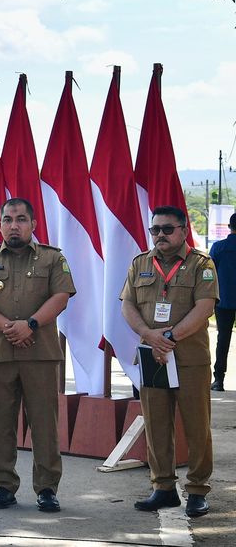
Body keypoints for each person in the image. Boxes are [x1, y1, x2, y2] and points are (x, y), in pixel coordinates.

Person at [0, 198, 75, 513]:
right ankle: (3, 486)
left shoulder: (52, 259)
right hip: (0, 352)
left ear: (33, 224)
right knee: (0, 422)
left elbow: (61, 296)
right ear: (0, 224)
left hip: (40, 353)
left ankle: (47, 488)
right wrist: (9, 327)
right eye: (8, 219)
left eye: (21, 219)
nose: (15, 225)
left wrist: (31, 325)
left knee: (44, 423)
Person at [120, 205, 217, 518]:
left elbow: (204, 308)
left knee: (196, 425)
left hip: (188, 359)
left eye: (167, 229)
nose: (160, 235)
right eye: (155, 230)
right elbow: (128, 306)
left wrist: (169, 338)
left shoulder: (201, 264)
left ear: (183, 231)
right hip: (154, 358)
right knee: (157, 424)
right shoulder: (140, 263)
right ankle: (163, 488)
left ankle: (198, 490)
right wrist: (149, 335)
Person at [206, 212, 236, 391]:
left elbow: (208, 274)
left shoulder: (218, 248)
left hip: (223, 300)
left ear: (229, 227)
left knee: (223, 340)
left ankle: (219, 380)